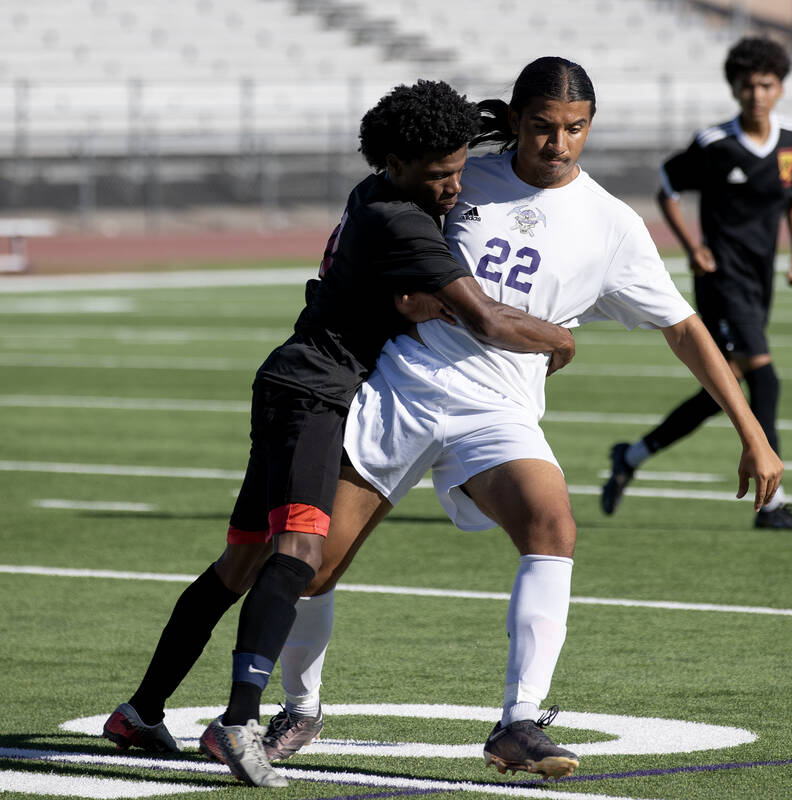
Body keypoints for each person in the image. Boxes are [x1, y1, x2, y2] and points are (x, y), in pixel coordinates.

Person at [224, 55, 785, 786]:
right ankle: (300, 706)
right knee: (313, 564)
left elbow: (683, 328)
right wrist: (401, 302)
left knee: (553, 524)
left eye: (576, 128)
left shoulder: (612, 224)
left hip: (499, 409)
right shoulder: (461, 176)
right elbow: (368, 239)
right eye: (545, 127)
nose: (559, 143)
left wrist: (753, 433)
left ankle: (519, 721)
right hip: (405, 385)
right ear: (516, 119)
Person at [100, 80, 575, 789]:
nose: (453, 185)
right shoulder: (402, 221)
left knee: (239, 565)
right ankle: (237, 723)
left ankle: (139, 713)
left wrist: (487, 122)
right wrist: (558, 340)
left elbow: (436, 183)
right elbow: (488, 321)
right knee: (296, 555)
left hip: (291, 381)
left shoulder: (378, 186)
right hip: (316, 393)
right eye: (439, 174)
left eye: (457, 167)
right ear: (395, 163)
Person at [600, 36, 792, 532]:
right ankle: (772, 503)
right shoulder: (714, 145)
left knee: (725, 388)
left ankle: (632, 455)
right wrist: (692, 247)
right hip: (721, 280)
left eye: (765, 85)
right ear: (734, 89)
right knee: (763, 378)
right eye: (746, 86)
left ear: (780, 88)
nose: (756, 95)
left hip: (759, 278)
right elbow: (667, 186)